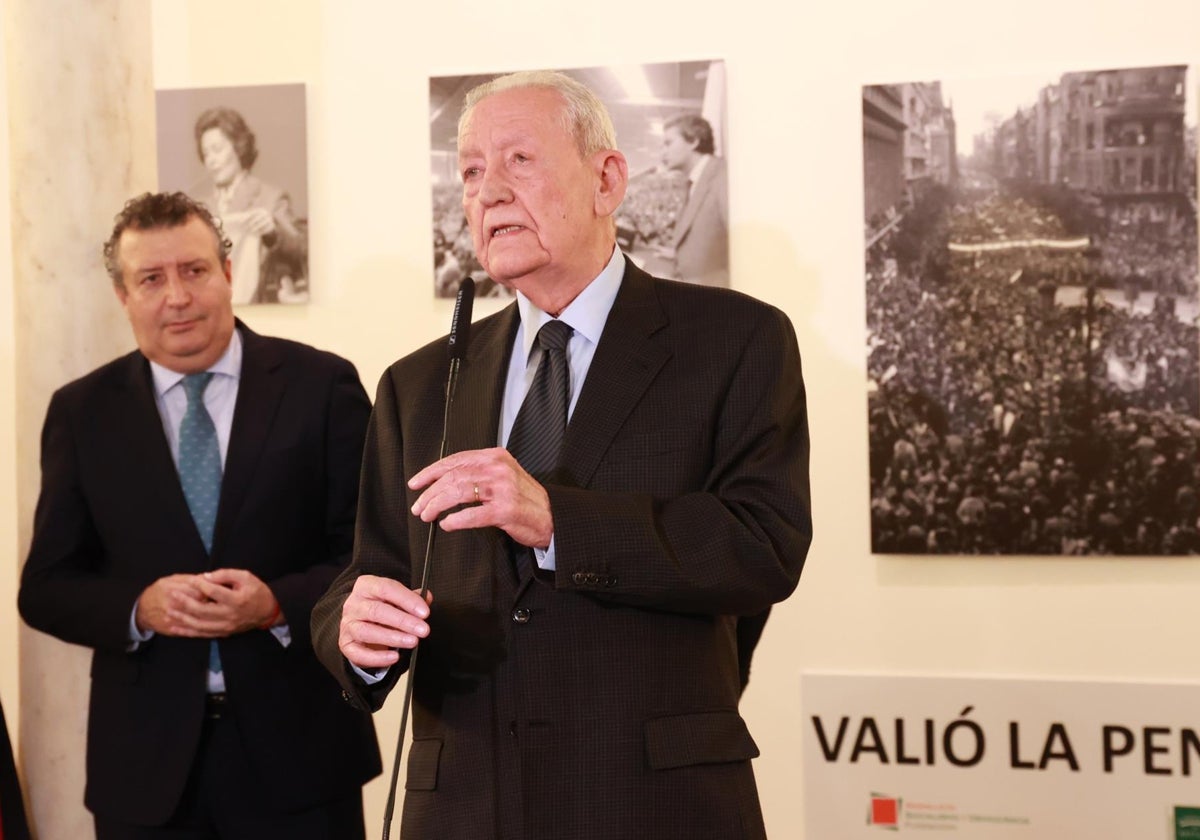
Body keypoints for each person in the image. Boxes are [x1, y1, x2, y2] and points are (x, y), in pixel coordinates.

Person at [312, 71, 811, 839]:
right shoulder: (418, 382)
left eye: (519, 160)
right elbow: (369, 569)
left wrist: (558, 520)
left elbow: (763, 547)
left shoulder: (736, 341)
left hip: (655, 804)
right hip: (466, 809)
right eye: (472, 171)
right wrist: (358, 633)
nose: (487, 193)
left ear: (607, 179)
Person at [19, 191, 380, 839]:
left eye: (194, 270)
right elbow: (46, 588)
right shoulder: (83, 413)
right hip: (145, 770)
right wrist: (139, 607)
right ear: (123, 296)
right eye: (150, 279)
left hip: (300, 759)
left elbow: (374, 554)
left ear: (229, 273)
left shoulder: (320, 387)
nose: (177, 297)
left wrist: (277, 603)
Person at [194, 106, 309, 305]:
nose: (211, 160)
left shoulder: (270, 198)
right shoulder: (199, 209)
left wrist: (273, 232)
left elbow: (302, 250)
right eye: (206, 154)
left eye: (217, 150)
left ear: (239, 147)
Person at [659, 113, 730, 286]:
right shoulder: (695, 180)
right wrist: (679, 253)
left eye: (669, 143)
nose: (663, 152)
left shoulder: (723, 178)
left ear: (693, 141)